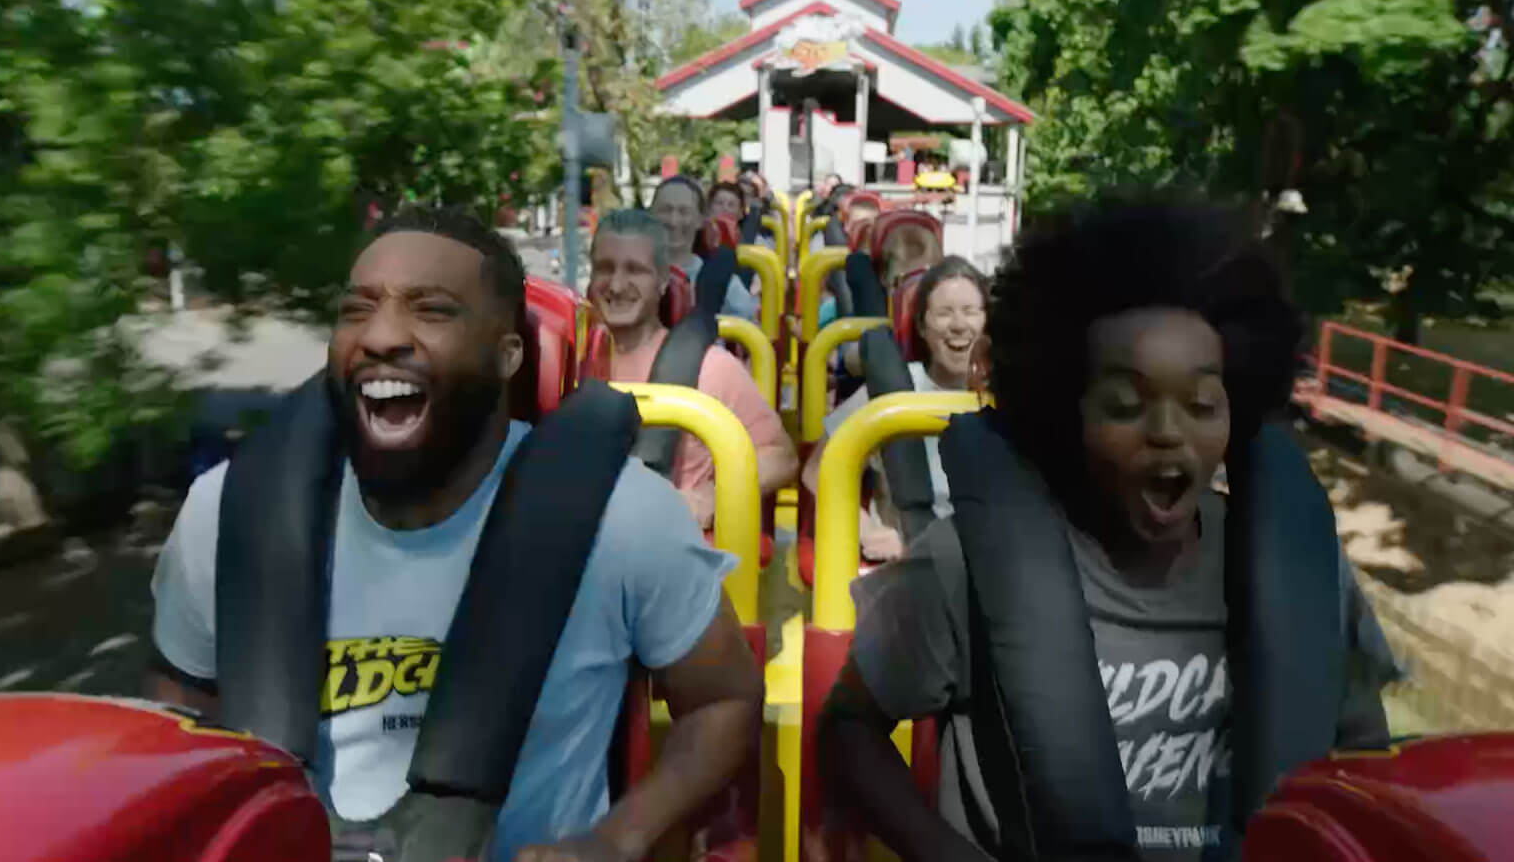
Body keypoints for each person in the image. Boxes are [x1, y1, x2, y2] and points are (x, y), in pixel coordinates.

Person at [146, 205, 763, 862]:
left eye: (431, 310)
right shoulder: (228, 515)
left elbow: (726, 698)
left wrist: (618, 838)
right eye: (357, 309)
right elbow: (175, 709)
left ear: (507, 354)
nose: (382, 334)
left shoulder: (624, 516)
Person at [817, 193, 1397, 862]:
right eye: (1125, 405)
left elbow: (1366, 760)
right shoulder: (963, 565)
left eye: (1201, 404)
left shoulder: (1301, 573)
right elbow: (848, 727)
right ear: (1066, 413)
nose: (1168, 432)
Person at [588, 209, 798, 527]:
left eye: (635, 270)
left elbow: (780, 456)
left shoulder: (711, 368)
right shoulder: (570, 360)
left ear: (662, 281)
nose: (616, 285)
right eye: (605, 269)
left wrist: (710, 496)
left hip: (666, 536)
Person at [802, 256, 987, 563]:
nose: (958, 325)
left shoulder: (1006, 395)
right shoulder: (891, 388)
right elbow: (817, 471)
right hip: (904, 557)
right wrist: (867, 530)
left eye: (970, 312)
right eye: (944, 313)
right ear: (922, 326)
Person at [650, 175, 758, 322]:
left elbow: (750, 322)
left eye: (684, 211)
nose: (673, 221)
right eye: (665, 210)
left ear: (700, 219)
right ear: (651, 215)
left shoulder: (719, 278)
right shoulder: (630, 271)